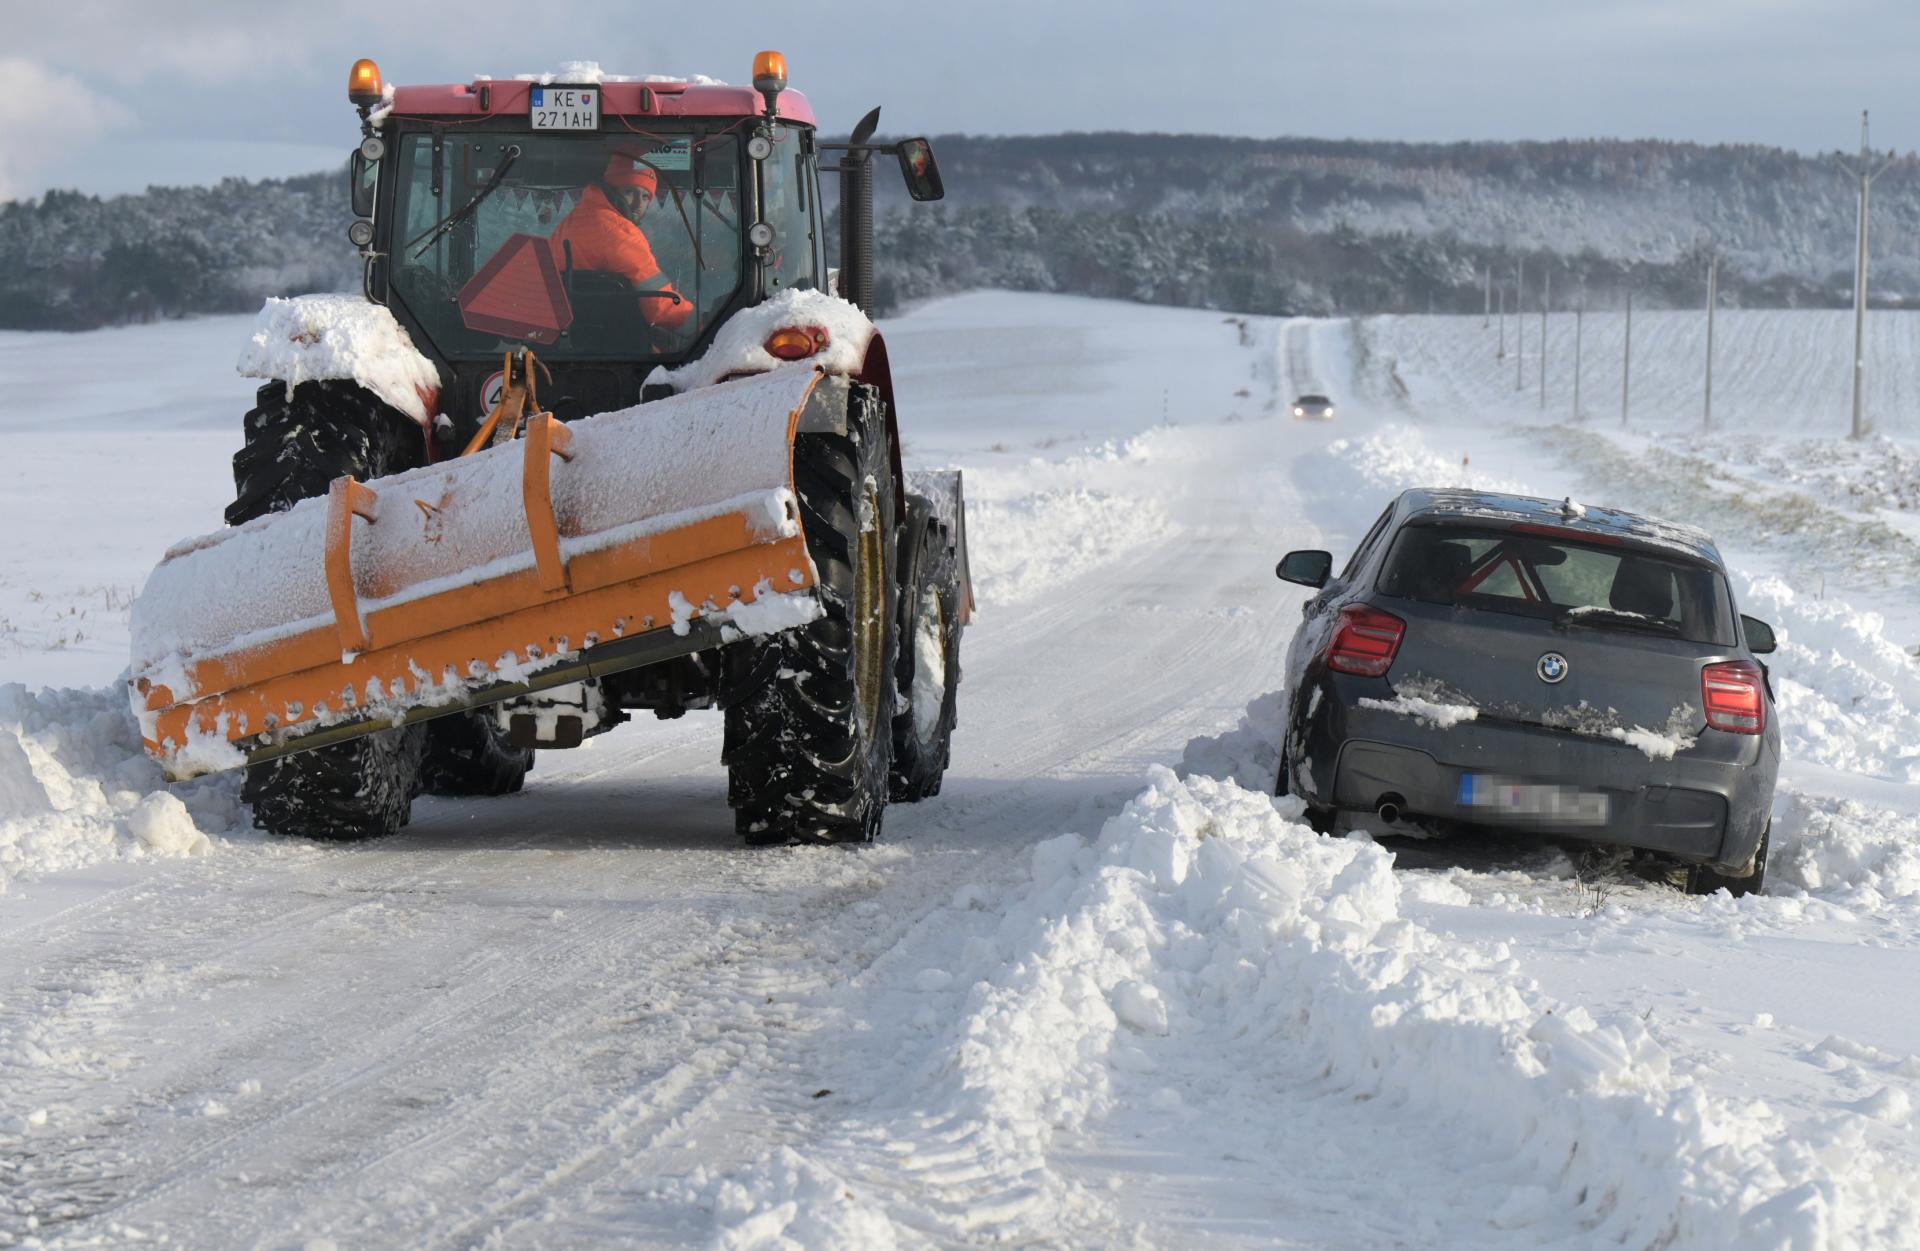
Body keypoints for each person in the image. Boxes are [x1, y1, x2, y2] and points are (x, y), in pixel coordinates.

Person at [549, 155, 693, 332]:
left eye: (646, 196)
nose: (637, 204)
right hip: (610, 341)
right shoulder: (621, 232)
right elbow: (659, 306)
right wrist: (697, 322)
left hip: (566, 337)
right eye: (629, 192)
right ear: (612, 190)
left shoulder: (568, 224)